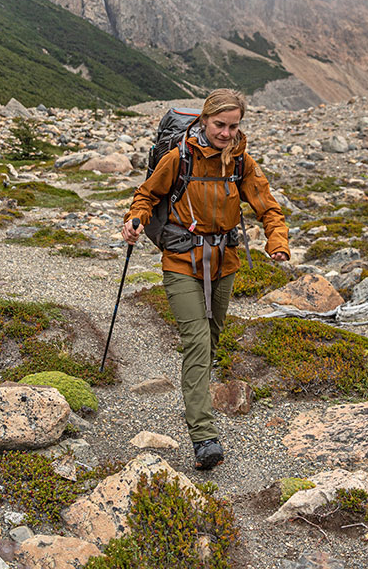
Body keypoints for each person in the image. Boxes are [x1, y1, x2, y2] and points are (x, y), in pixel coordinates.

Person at [121, 89, 289, 470]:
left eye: (234, 126)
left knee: (210, 339)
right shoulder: (178, 157)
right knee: (197, 341)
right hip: (181, 260)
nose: (227, 133)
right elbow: (146, 195)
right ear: (204, 121)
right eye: (219, 125)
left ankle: (194, 398)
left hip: (224, 263)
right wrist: (135, 221)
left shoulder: (241, 162)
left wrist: (277, 241)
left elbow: (267, 205)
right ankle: (204, 436)